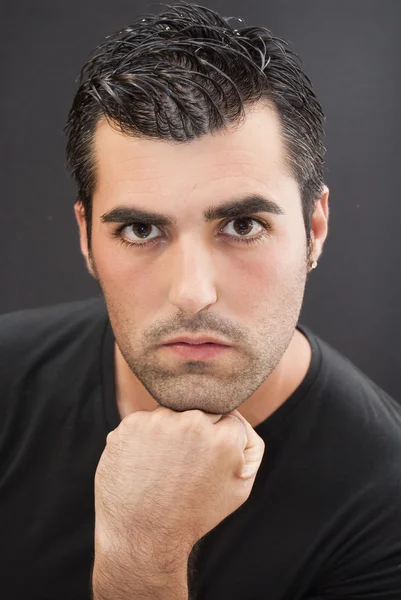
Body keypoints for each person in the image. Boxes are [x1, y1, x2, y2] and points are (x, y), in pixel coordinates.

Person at [1, 2, 400, 599]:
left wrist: (143, 552)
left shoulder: (386, 506)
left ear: (314, 228)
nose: (192, 293)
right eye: (140, 230)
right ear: (86, 237)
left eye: (242, 225)